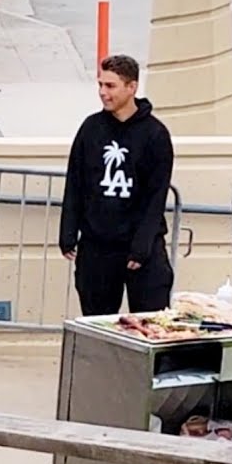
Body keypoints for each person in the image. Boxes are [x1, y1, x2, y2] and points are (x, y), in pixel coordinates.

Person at [59, 54, 176, 316]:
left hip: (141, 247)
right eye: (100, 85)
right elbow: (75, 182)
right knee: (97, 321)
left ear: (131, 87)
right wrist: (68, 231)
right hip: (97, 247)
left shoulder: (155, 134)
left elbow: (155, 197)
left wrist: (141, 247)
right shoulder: (91, 129)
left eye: (110, 86)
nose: (103, 92)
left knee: (150, 321)